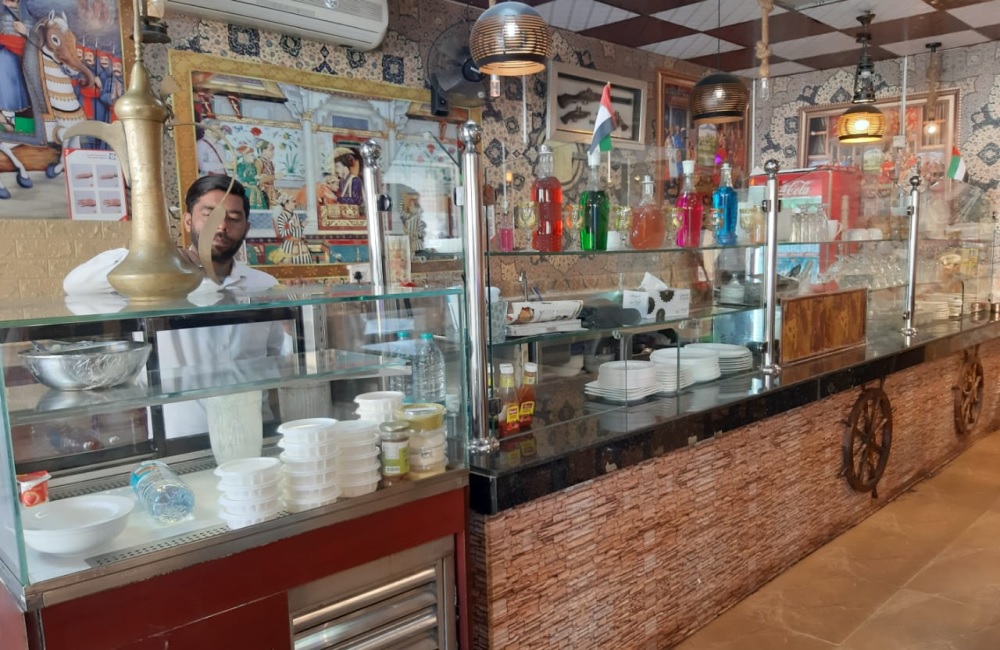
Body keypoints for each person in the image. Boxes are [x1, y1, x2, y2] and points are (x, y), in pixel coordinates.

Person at [63, 176, 290, 438]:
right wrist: (150, 257)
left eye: (233, 218)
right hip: (180, 438)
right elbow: (76, 285)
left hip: (254, 430)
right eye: (210, 215)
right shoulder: (153, 279)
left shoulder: (263, 285)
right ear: (188, 221)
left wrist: (291, 327)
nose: (221, 226)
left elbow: (279, 359)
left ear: (246, 227)